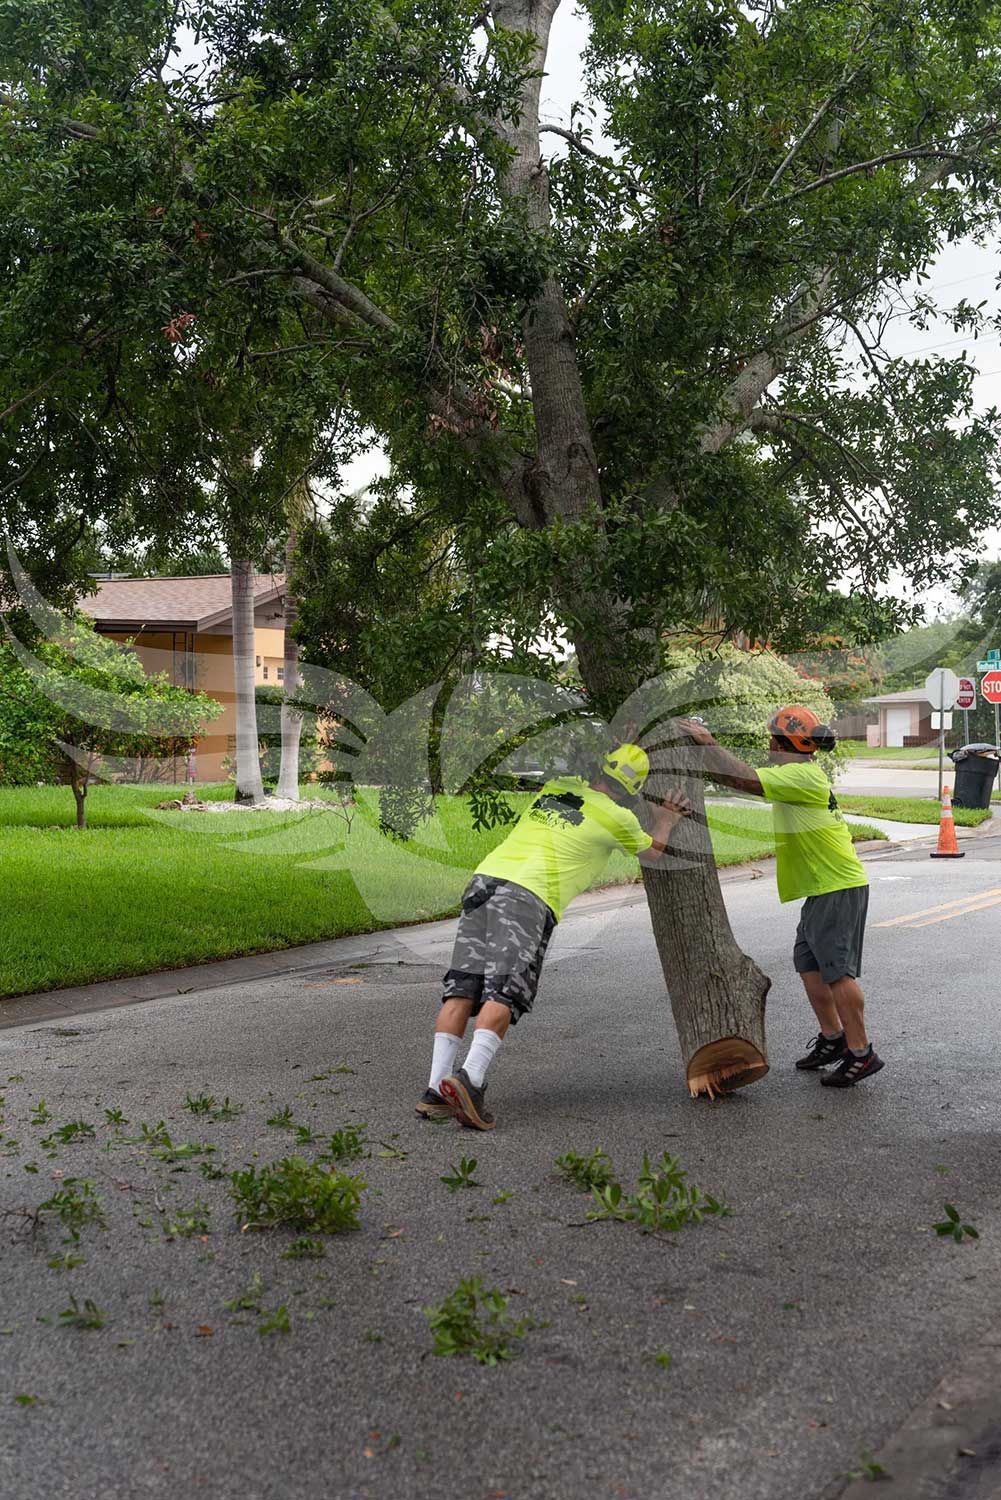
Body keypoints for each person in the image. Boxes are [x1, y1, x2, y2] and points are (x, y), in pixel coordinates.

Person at [416, 744, 691, 1130]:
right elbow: (653, 855)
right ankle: (470, 1080)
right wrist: (665, 820)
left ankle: (434, 1092)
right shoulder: (620, 818)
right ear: (635, 790)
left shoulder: (558, 787)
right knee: (505, 993)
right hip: (528, 897)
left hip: (484, 882)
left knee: (463, 988)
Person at [680, 707, 883, 1088]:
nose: (769, 744)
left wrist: (709, 744)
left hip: (836, 885)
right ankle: (834, 1038)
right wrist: (705, 756)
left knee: (837, 972)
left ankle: (861, 1052)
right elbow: (739, 779)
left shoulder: (802, 775)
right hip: (821, 887)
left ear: (787, 743)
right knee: (809, 965)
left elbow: (747, 781)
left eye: (773, 738)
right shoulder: (795, 774)